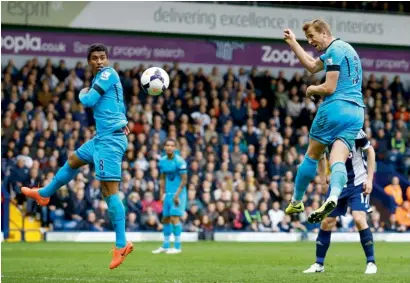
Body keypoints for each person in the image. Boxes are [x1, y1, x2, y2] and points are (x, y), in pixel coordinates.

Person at [21, 44, 133, 269]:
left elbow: (89, 101)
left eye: (103, 57)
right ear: (89, 62)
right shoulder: (102, 78)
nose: (99, 61)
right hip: (101, 138)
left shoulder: (108, 73)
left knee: (109, 193)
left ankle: (121, 244)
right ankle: (44, 194)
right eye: (94, 58)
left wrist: (82, 92)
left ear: (107, 60)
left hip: (110, 142)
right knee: (73, 159)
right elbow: (114, 105)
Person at [283, 19, 365, 223]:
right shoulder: (346, 49)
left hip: (336, 107)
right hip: (356, 113)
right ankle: (334, 196)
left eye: (312, 36)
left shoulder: (334, 50)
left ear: (324, 32)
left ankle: (296, 200)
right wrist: (293, 42)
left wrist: (312, 89)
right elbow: (312, 66)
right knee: (337, 159)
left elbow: (329, 87)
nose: (310, 41)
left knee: (312, 154)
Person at [304, 130, 377, 274]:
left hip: (358, 182)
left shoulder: (356, 131)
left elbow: (370, 152)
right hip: (338, 184)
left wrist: (369, 179)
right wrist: (323, 181)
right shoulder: (326, 133)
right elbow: (320, 157)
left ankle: (371, 262)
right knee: (327, 222)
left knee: (359, 218)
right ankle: (319, 264)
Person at [152, 138, 188, 254]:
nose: (169, 147)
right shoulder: (162, 161)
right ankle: (165, 245)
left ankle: (177, 247)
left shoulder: (180, 161)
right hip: (168, 194)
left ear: (175, 148)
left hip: (179, 194)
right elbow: (162, 178)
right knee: (165, 219)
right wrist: (162, 194)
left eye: (172, 145)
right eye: (167, 145)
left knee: (174, 218)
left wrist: (177, 195)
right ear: (164, 147)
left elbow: (184, 180)